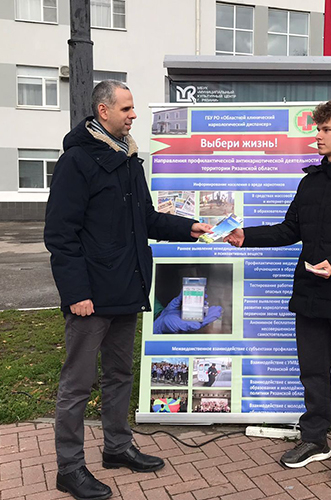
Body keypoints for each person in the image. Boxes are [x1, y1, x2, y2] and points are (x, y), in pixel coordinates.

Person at [44, 80, 212, 500]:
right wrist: (76, 293)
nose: (133, 115)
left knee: (119, 375)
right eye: (126, 108)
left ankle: (117, 447)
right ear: (103, 111)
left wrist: (188, 227)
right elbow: (60, 235)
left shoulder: (129, 158)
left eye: (133, 108)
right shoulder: (77, 161)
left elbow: (146, 218)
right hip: (90, 297)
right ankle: (69, 468)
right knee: (77, 385)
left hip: (126, 287)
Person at [225, 99, 331, 483]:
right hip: (310, 295)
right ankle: (315, 440)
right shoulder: (310, 181)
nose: (317, 135)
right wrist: (246, 235)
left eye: (325, 129)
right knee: (313, 373)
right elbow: (290, 230)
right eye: (317, 128)